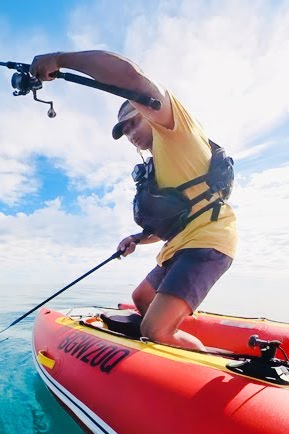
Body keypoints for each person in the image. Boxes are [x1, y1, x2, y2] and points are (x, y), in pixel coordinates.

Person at [29, 50, 237, 351]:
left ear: (150, 114)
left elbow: (130, 78)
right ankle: (167, 339)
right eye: (124, 130)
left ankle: (203, 357)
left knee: (156, 329)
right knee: (141, 299)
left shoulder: (177, 131)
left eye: (133, 123)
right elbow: (179, 217)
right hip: (180, 245)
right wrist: (137, 239)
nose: (129, 133)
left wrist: (60, 60)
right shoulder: (161, 166)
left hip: (208, 242)